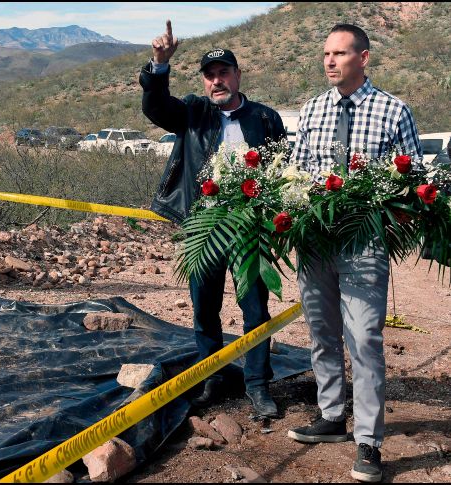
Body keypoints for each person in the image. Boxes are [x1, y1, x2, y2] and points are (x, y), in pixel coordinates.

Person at [286, 24, 422, 483]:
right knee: (322, 331)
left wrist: (387, 217)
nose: (329, 61)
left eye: (339, 53)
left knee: (364, 338)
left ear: (363, 58)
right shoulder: (312, 110)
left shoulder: (393, 111)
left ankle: (369, 440)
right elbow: (296, 172)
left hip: (364, 242)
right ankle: (330, 416)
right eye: (326, 53)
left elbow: (413, 181)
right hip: (315, 240)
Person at [139, 21, 287, 419]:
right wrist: (159, 64)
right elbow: (155, 107)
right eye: (210, 75)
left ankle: (258, 385)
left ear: (238, 76)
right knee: (204, 307)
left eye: (224, 73)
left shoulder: (266, 119)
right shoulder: (192, 112)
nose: (217, 80)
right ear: (204, 82)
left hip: (249, 228)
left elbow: (280, 170)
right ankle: (213, 378)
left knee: (254, 307)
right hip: (202, 227)